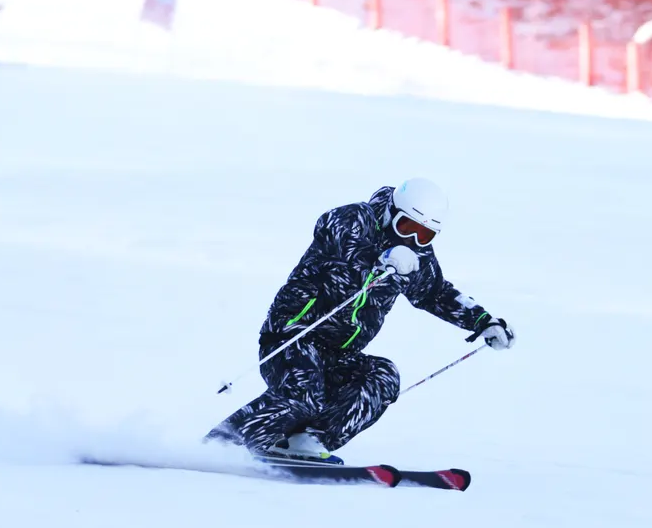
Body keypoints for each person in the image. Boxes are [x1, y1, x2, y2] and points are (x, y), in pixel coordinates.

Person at [207, 178, 515, 464]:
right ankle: (218, 446)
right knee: (303, 394)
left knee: (382, 377)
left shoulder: (415, 256)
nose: (412, 238)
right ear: (392, 212)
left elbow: (435, 293)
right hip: (294, 337)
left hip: (341, 354)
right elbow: (329, 230)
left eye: (424, 234)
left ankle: (306, 441)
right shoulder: (354, 220)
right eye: (406, 226)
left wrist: (483, 321)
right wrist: (380, 260)